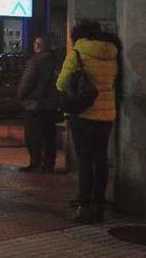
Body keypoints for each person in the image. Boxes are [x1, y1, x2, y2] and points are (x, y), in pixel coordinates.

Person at [56, 21, 118, 224]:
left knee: (84, 160)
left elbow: (61, 83)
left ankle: (84, 203)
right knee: (100, 159)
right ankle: (97, 202)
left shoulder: (77, 53)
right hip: (107, 114)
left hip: (84, 115)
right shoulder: (112, 53)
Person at [17, 35, 59, 173]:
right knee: (49, 136)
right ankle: (49, 164)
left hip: (35, 104)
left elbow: (27, 82)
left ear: (38, 46)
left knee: (32, 135)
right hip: (51, 104)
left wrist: (21, 96)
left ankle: (35, 162)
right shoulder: (55, 61)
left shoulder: (34, 61)